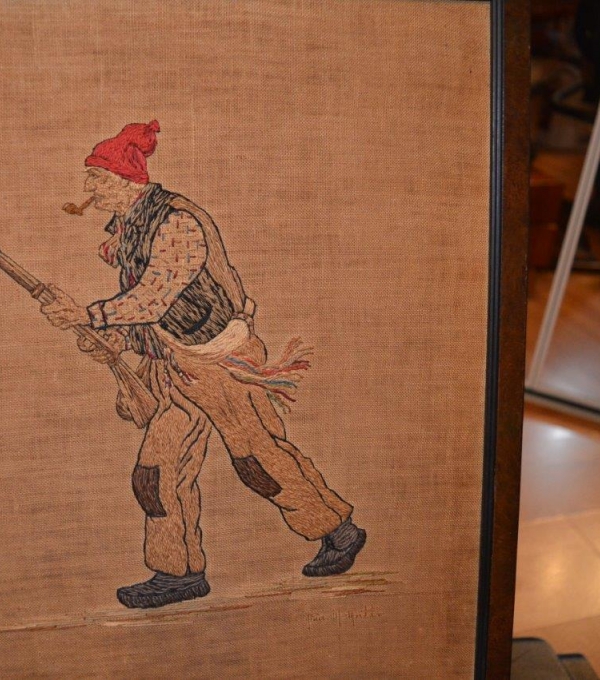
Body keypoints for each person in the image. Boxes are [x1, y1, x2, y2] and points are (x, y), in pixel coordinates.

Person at [41, 121, 365, 609]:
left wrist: (89, 315)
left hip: (220, 363)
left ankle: (337, 530)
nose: (88, 186)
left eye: (97, 177)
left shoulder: (178, 223)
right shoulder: (130, 226)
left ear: (124, 180)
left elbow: (156, 297)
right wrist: (116, 339)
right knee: (156, 472)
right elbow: (156, 314)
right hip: (176, 365)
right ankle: (178, 572)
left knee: (257, 461)